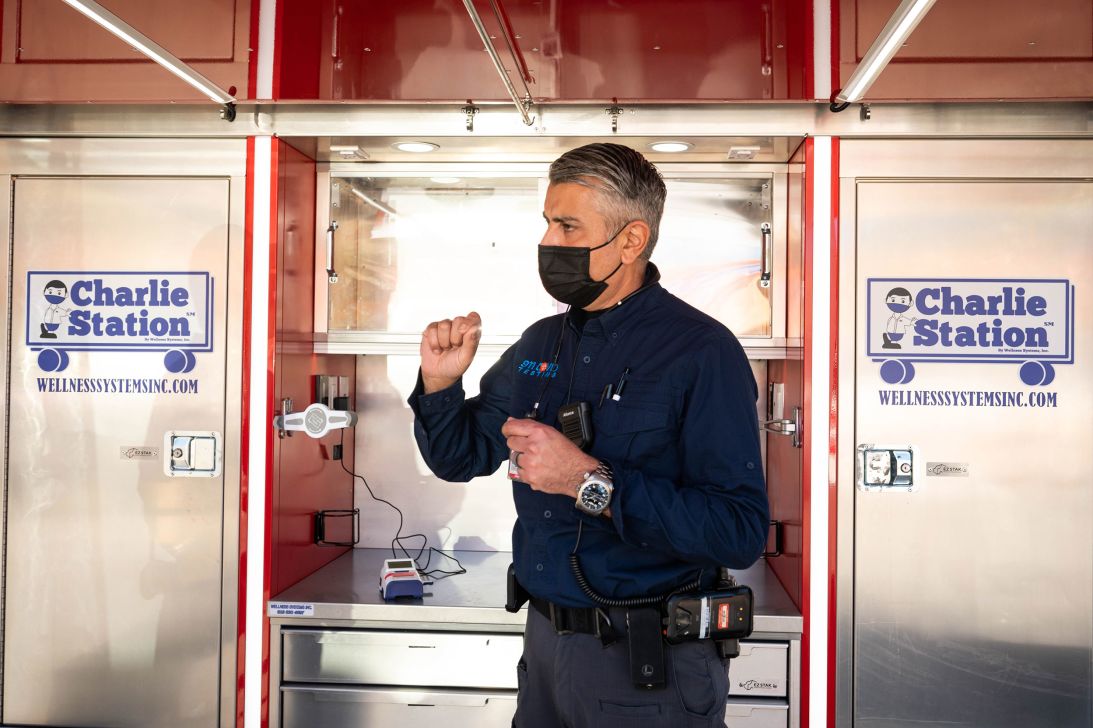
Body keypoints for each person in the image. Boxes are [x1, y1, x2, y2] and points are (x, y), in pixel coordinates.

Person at [409, 143, 769, 727]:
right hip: (547, 650)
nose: (550, 242)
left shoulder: (702, 351)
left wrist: (586, 481)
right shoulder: (539, 344)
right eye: (548, 223)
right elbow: (460, 456)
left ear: (631, 240)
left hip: (647, 665)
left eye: (569, 225)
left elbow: (738, 532)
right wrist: (439, 385)